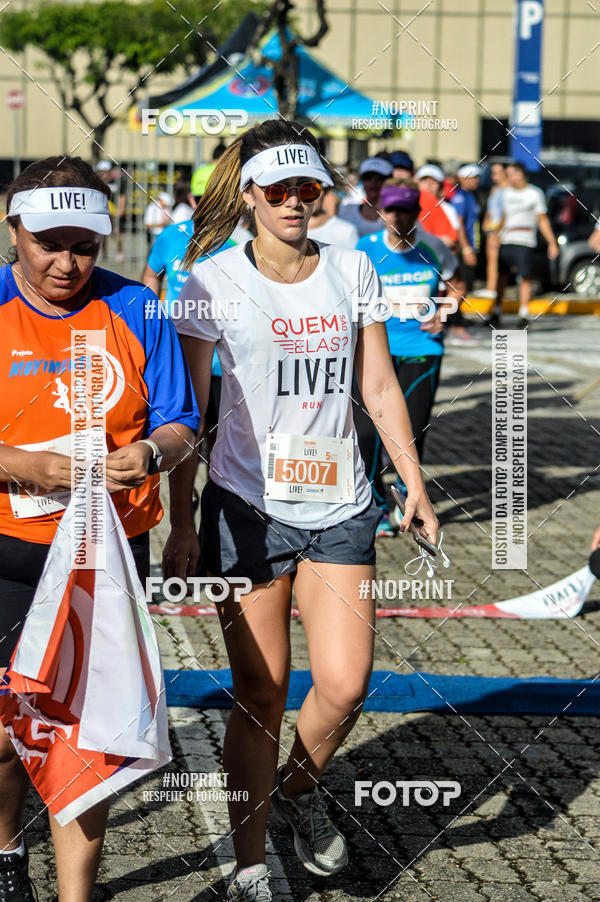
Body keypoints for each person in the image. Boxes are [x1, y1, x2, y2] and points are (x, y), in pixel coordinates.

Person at [163, 120, 438, 902]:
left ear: (322, 195)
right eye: (277, 190)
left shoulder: (352, 268)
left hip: (344, 503)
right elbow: (191, 411)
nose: (292, 202)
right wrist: (182, 523)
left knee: (347, 686)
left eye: (306, 190)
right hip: (248, 508)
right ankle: (249, 866)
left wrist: (412, 481)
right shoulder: (208, 281)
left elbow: (378, 385)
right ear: (249, 195)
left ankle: (295, 790)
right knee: (262, 692)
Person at [0, 156, 199, 902]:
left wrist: (150, 452)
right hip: (9, 552)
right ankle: (7, 853)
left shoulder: (139, 307)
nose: (67, 262)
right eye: (48, 241)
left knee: (91, 730)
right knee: (6, 734)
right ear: (13, 228)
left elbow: (183, 423)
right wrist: (19, 463)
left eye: (84, 244)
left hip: (106, 559)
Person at [355, 179, 454, 536]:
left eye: (405, 210)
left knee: (411, 433)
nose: (397, 217)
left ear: (417, 212)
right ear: (382, 211)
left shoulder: (433, 248)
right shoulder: (365, 249)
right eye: (391, 209)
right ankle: (376, 505)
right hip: (375, 350)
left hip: (421, 350)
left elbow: (457, 281)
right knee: (367, 433)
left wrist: (443, 312)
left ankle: (407, 499)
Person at [487, 161, 559, 329]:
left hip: (525, 239)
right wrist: (495, 234)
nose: (508, 178)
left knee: (525, 277)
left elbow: (542, 219)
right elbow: (503, 217)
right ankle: (496, 312)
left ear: (520, 174)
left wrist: (551, 242)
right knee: (502, 276)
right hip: (507, 238)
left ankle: (524, 313)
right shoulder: (505, 194)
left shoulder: (534, 193)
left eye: (511, 174)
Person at [338, 156, 393, 236]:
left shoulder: (399, 218)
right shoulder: (344, 211)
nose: (373, 182)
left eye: (379, 178)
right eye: (368, 177)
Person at [451, 163, 482, 294]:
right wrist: (466, 249)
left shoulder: (471, 196)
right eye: (473, 177)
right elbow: (458, 224)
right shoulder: (460, 197)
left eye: (477, 177)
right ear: (463, 178)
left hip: (471, 245)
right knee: (463, 286)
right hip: (464, 248)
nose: (476, 180)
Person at [479, 162, 508, 300]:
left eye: (497, 172)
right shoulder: (494, 190)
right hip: (492, 227)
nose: (494, 176)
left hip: (501, 229)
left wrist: (498, 230)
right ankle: (490, 286)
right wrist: (486, 221)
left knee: (497, 258)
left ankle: (494, 287)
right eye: (493, 173)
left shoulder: (508, 189)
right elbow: (491, 209)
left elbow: (506, 212)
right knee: (491, 257)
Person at [416, 163, 459, 249]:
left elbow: (452, 241)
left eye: (433, 182)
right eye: (424, 180)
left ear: (440, 186)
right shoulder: (409, 205)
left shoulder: (448, 209)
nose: (428, 185)